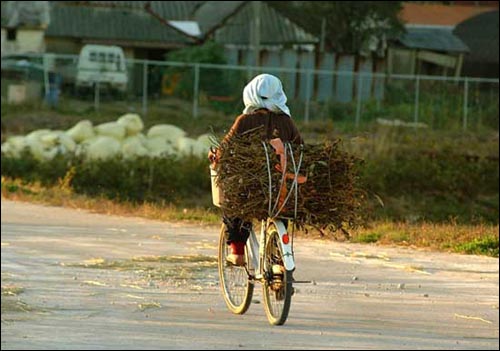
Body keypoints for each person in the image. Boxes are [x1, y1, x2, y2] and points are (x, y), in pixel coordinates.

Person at [211, 74, 304, 266]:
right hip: (279, 189)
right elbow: (301, 149)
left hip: (251, 187)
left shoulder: (245, 121)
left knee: (235, 200)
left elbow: (226, 148)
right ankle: (279, 262)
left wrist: (216, 156)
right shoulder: (286, 122)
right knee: (281, 209)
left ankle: (237, 251)